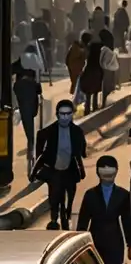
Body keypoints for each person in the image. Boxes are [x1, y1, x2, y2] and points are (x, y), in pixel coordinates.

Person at [76, 155, 131, 264]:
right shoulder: (90, 195)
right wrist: (80, 246)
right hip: (95, 243)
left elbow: (128, 221)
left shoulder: (123, 195)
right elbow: (83, 222)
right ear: (98, 173)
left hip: (115, 242)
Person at [31, 99, 86, 230]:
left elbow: (80, 152)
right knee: (54, 195)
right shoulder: (49, 132)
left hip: (70, 169)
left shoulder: (77, 132)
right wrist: (34, 171)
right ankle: (54, 218)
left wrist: (81, 168)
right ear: (57, 114)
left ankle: (66, 214)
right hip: (54, 170)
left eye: (68, 114)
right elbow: (41, 154)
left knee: (70, 193)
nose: (65, 117)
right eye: (62, 114)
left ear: (72, 114)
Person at [13, 64, 42, 166]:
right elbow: (39, 90)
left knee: (27, 123)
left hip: (23, 102)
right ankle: (32, 143)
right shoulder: (34, 63)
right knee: (30, 120)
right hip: (31, 101)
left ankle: (31, 142)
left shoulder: (17, 85)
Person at [80, 39, 105, 115]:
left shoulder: (90, 57)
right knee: (96, 92)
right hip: (97, 72)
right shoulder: (99, 56)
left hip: (89, 72)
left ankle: (87, 109)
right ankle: (94, 107)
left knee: (88, 94)